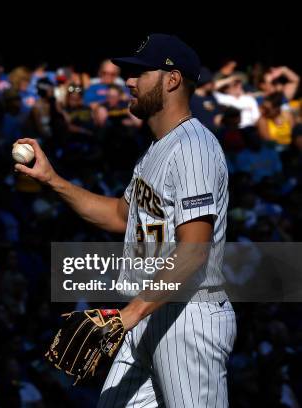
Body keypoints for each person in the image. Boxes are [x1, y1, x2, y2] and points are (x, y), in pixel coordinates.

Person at [14, 34, 235, 407]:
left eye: (139, 73)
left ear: (172, 79)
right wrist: (52, 181)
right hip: (149, 311)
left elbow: (195, 250)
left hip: (187, 316)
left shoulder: (195, 148)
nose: (127, 82)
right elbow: (120, 215)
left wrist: (128, 315)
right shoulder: (158, 148)